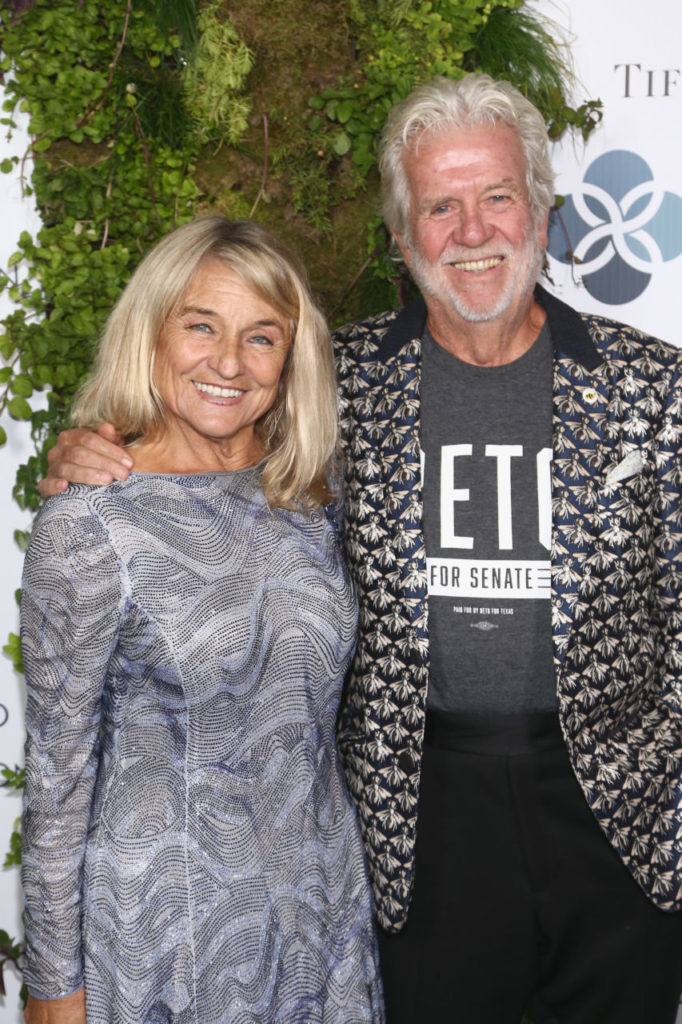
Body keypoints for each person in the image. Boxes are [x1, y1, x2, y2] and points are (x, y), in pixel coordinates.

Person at [39, 74, 682, 1024]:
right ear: (401, 234)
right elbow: (214, 448)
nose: (472, 231)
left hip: (620, 824)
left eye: (497, 196)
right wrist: (87, 449)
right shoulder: (338, 386)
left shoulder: (654, 387)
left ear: (541, 212)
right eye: (440, 206)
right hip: (416, 825)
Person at [21, 216, 384, 1024]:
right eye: (200, 326)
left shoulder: (312, 495)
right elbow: (55, 778)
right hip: (163, 942)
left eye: (261, 338)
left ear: (291, 360)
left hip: (318, 918)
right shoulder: (91, 524)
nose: (227, 363)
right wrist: (51, 990)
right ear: (150, 330)